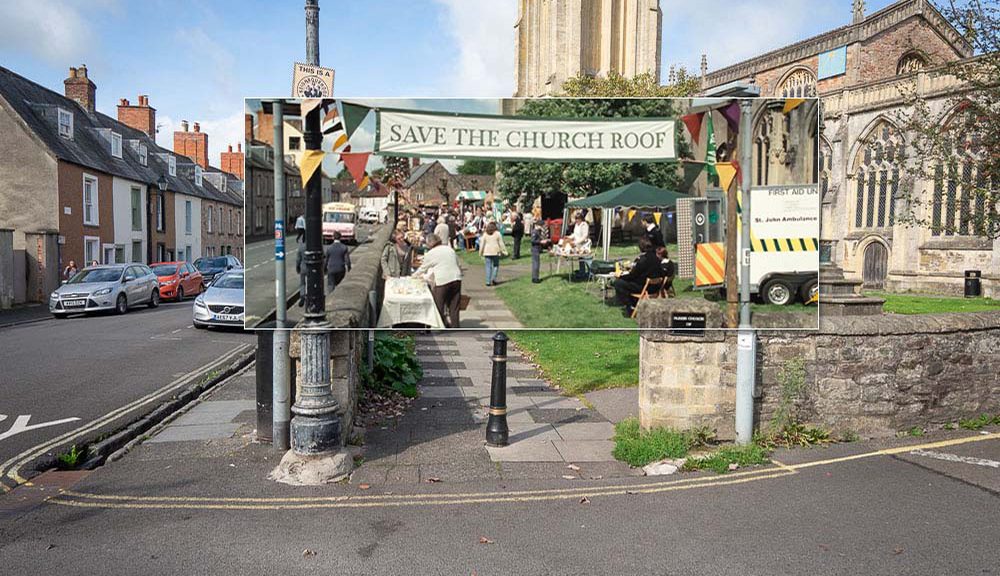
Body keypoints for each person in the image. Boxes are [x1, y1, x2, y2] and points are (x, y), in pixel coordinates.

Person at [413, 233, 463, 329]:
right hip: (456, 278)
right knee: (454, 305)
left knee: (438, 304)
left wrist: (413, 276)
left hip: (443, 280)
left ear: (430, 243)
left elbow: (423, 268)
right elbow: (458, 264)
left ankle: (439, 325)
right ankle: (455, 326)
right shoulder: (449, 249)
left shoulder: (431, 253)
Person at [613, 235, 664, 316]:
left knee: (618, 283)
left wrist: (621, 276)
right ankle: (633, 302)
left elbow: (633, 276)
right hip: (656, 287)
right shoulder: (656, 257)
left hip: (644, 287)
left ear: (640, 247)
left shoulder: (642, 260)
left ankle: (630, 305)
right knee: (626, 283)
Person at [479, 221, 507, 287]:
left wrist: (480, 252)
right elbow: (501, 243)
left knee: (488, 267)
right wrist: (504, 251)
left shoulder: (485, 234)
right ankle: (493, 279)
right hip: (496, 251)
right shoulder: (498, 234)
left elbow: (482, 244)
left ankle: (488, 281)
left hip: (487, 252)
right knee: (495, 265)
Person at [529, 219, 550, 284]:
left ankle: (535, 277)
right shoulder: (535, 232)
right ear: (538, 225)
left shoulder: (538, 231)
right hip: (535, 249)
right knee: (536, 264)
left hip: (537, 248)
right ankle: (535, 278)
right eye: (541, 226)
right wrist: (540, 241)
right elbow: (533, 240)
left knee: (536, 263)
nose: (542, 227)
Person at [295, 243, 307, 307]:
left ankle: (302, 296)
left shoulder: (301, 247)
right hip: (312, 268)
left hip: (303, 268)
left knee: (302, 283)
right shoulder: (313, 246)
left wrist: (297, 268)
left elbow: (298, 259)